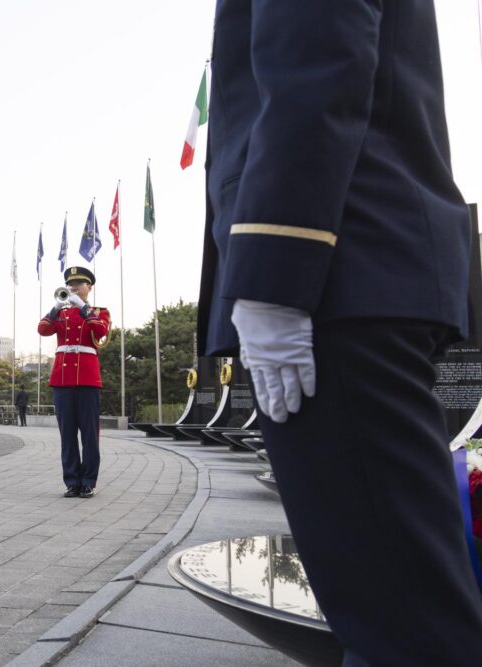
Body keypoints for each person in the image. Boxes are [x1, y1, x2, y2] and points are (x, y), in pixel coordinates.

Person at [197, 3, 482, 663]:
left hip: (332, 277)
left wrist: (274, 274)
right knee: (389, 609)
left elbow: (316, 58)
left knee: (404, 630)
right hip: (354, 269)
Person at [38, 267, 110, 499]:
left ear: (90, 287)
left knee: (89, 435)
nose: (74, 287)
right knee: (67, 435)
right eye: (71, 284)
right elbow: (43, 329)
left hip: (88, 379)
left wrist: (83, 307)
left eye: (79, 283)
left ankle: (88, 481)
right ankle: (72, 481)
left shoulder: (99, 312)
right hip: (62, 379)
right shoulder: (61, 313)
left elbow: (101, 330)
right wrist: (56, 308)